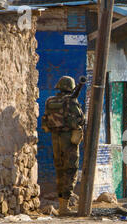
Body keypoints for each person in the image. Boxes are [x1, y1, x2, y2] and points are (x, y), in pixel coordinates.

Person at [41, 76, 85, 216]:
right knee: (70, 170)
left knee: (60, 170)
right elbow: (80, 119)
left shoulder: (50, 101)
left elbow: (46, 120)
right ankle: (65, 206)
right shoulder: (71, 101)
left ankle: (61, 203)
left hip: (55, 138)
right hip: (69, 139)